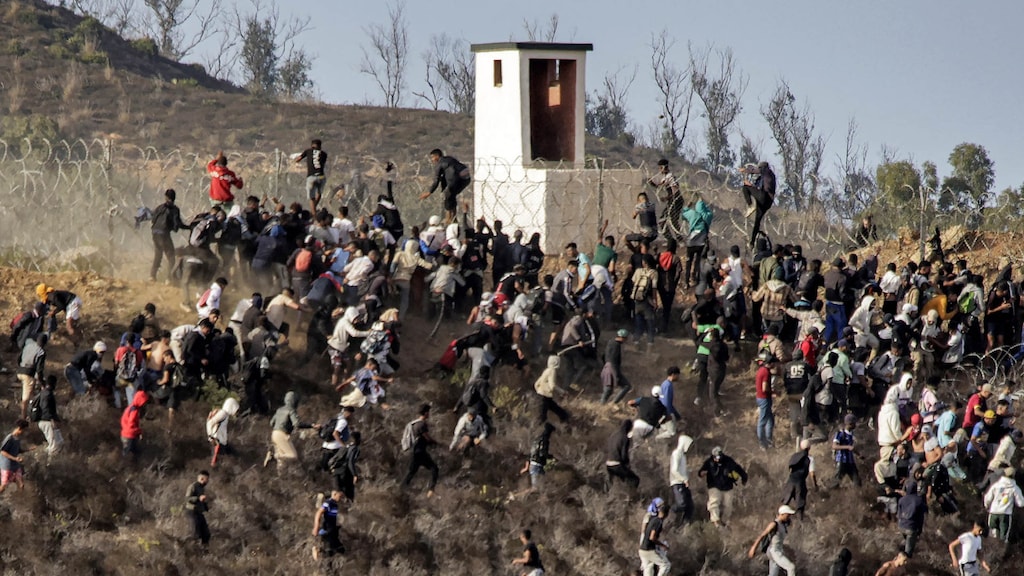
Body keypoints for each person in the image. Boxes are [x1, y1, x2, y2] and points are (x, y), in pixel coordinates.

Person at [264, 391, 318, 469]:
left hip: (274, 433)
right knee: (293, 456)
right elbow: (297, 424)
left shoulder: (279, 410)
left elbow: (271, 423)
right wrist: (311, 426)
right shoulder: (291, 410)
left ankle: (282, 478)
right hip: (282, 434)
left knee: (282, 462)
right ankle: (273, 456)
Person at [698, 446, 748, 527]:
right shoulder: (709, 462)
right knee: (713, 503)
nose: (717, 459)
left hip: (727, 486)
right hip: (714, 485)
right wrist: (702, 473)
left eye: (719, 457)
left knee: (728, 506)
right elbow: (701, 471)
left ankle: (724, 522)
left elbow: (738, 468)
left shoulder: (728, 461)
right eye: (716, 457)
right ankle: (716, 521)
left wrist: (744, 477)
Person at [419, 149, 470, 224]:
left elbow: (436, 180)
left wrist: (429, 192)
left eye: (432, 157)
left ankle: (449, 218)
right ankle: (453, 217)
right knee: (451, 195)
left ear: (437, 156)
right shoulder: (449, 159)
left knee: (448, 194)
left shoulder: (440, 164)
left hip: (457, 178)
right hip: (466, 178)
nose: (432, 160)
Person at [747, 505, 796, 576]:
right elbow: (762, 535)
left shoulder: (782, 524)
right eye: (787, 515)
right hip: (774, 551)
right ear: (782, 514)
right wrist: (753, 548)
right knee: (791, 567)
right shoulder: (774, 524)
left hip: (778, 551)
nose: (789, 517)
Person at [403, 404, 440, 497]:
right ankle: (431, 490)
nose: (429, 414)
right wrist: (436, 443)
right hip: (420, 452)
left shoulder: (415, 423)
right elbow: (427, 438)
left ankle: (401, 491)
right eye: (429, 412)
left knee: (411, 473)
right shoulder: (422, 424)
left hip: (415, 452)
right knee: (434, 468)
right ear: (426, 413)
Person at [150, 188, 186, 281]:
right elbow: (177, 224)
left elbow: (153, 219)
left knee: (158, 255)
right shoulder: (174, 209)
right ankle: (169, 279)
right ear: (174, 198)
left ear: (165, 197)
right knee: (171, 256)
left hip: (155, 233)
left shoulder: (159, 207)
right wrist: (189, 227)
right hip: (164, 234)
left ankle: (152, 276)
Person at [740, 161, 776, 247]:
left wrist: (746, 170)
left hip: (764, 196)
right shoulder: (768, 176)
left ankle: (750, 206)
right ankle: (752, 242)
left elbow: (756, 170)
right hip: (768, 202)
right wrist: (752, 186)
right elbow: (758, 188)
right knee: (757, 221)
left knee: (745, 187)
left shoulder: (766, 171)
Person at [983, 467, 1024, 543]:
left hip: (993, 513)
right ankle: (1001, 553)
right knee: (1003, 538)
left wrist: (986, 505)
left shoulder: (996, 485)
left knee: (992, 535)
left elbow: (987, 497)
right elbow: (1021, 503)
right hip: (1005, 515)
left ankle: (992, 550)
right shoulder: (1014, 488)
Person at [781, 439, 817, 518]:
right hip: (800, 483)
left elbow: (790, 469)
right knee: (799, 506)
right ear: (809, 448)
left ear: (800, 447)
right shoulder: (810, 459)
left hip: (790, 481)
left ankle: (779, 518)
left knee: (785, 502)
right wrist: (815, 485)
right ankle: (800, 524)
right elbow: (812, 474)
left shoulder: (794, 456)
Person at [17, 333, 47, 420]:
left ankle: (32, 412)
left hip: (20, 371)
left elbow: (18, 359)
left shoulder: (28, 345)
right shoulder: (41, 352)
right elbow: (39, 370)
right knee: (25, 398)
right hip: (28, 374)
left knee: (31, 393)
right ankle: (23, 418)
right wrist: (42, 383)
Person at [638, 502, 671, 576]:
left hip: (642, 549)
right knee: (666, 565)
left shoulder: (653, 519)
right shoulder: (658, 522)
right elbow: (652, 537)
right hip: (649, 550)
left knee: (648, 569)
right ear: (667, 514)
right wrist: (663, 545)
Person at [606, 419, 640, 491]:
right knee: (635, 480)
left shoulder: (613, 435)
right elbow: (624, 455)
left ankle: (607, 495)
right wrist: (627, 464)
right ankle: (631, 497)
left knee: (615, 482)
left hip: (608, 464)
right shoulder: (625, 437)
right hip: (617, 464)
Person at [600, 329, 633, 404]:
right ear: (623, 337)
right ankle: (613, 403)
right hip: (612, 367)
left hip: (607, 367)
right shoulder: (616, 345)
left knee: (608, 389)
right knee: (626, 386)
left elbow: (603, 355)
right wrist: (616, 374)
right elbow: (613, 360)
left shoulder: (611, 342)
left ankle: (602, 405)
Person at [296, 139, 328, 214]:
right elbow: (321, 163)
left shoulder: (308, 151)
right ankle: (313, 209)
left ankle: (313, 214)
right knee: (319, 193)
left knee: (311, 197)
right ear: (320, 146)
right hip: (321, 176)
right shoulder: (324, 154)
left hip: (311, 177)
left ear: (312, 145)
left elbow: (298, 159)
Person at [311, 489, 345, 560]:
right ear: (334, 494)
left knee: (340, 549)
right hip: (327, 529)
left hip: (332, 529)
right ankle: (317, 548)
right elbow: (319, 513)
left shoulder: (334, 504)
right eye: (339, 495)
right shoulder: (328, 503)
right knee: (329, 549)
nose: (340, 497)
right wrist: (316, 526)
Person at [669, 434, 694, 528]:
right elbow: (674, 470)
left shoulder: (683, 455)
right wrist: (684, 479)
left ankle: (684, 527)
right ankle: (669, 511)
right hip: (677, 483)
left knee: (690, 506)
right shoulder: (677, 453)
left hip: (683, 483)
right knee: (682, 504)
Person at [896, 481, 927, 557]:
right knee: (908, 552)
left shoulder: (901, 500)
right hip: (911, 527)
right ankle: (906, 563)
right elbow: (921, 518)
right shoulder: (919, 501)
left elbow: (899, 515)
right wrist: (919, 530)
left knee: (905, 542)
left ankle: (899, 554)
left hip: (901, 526)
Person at [35, 376, 63, 459]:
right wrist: (52, 419)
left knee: (60, 442)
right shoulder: (48, 394)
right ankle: (48, 463)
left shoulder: (43, 393)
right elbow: (46, 408)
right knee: (54, 446)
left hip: (43, 421)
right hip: (47, 422)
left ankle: (42, 456)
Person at [755, 350, 778, 449]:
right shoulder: (766, 372)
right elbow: (764, 387)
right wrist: (772, 392)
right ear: (771, 363)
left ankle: (768, 440)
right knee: (762, 421)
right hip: (764, 398)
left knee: (770, 420)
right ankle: (762, 443)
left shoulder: (761, 370)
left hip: (761, 398)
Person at [831, 414, 862, 487]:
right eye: (854, 423)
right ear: (850, 424)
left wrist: (859, 455)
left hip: (850, 462)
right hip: (842, 461)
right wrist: (847, 447)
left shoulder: (851, 434)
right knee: (836, 482)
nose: (855, 425)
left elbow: (852, 448)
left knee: (857, 482)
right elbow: (834, 446)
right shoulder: (840, 434)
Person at [0, 420, 30, 494]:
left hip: (15, 465)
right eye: (25, 430)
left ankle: (21, 501)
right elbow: (3, 452)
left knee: (21, 484)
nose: (25, 432)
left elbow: (18, 450)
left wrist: (29, 449)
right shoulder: (10, 438)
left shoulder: (17, 438)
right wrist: (15, 458)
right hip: (6, 466)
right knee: (3, 486)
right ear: (20, 428)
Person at [185, 471, 211, 547]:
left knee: (206, 534)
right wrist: (198, 498)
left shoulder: (201, 488)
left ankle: (205, 552)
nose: (208, 481)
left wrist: (205, 507)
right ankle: (193, 550)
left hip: (199, 512)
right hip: (192, 512)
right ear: (202, 478)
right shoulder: (193, 486)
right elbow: (187, 499)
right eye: (207, 479)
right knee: (196, 533)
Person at [120, 391, 149, 459]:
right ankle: (127, 466)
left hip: (125, 434)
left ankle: (132, 466)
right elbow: (131, 424)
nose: (144, 404)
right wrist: (139, 432)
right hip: (129, 435)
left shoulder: (130, 407)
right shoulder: (134, 411)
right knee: (129, 453)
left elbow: (123, 420)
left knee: (133, 452)